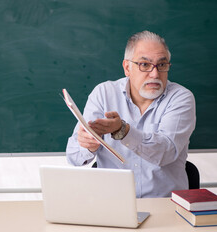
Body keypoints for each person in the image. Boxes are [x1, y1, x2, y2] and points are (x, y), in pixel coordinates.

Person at [66, 30, 196, 198]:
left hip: (165, 204)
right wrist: (88, 145)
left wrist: (123, 131)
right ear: (127, 67)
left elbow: (166, 152)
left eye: (162, 65)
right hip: (113, 203)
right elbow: (73, 158)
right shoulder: (104, 94)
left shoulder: (180, 98)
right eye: (145, 65)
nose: (155, 74)